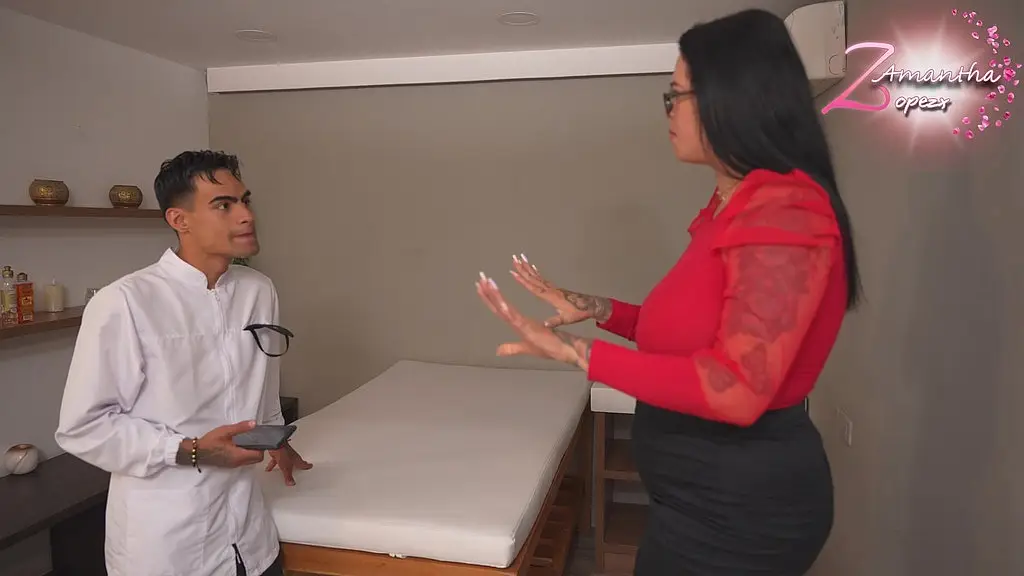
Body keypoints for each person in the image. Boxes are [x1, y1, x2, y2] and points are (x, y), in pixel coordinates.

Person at [475, 8, 860, 576]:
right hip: (698, 499)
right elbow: (688, 332)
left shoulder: (784, 208)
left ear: (731, 97)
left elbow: (737, 387)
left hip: (740, 511)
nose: (668, 110)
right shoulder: (731, 202)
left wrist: (580, 355)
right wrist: (598, 309)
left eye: (677, 95)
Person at [55, 150, 312, 576]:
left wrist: (275, 438)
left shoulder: (258, 289)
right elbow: (83, 428)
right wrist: (191, 450)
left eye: (245, 200)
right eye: (224, 205)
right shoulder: (125, 302)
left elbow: (263, 380)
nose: (246, 215)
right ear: (179, 220)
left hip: (250, 538)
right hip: (169, 544)